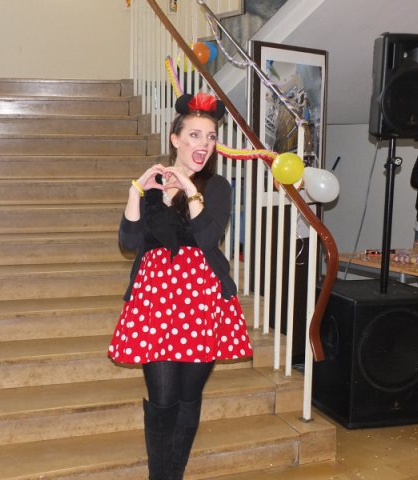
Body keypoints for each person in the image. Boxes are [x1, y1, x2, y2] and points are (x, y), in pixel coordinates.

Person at [108, 92, 253, 480]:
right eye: (195, 135)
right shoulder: (152, 185)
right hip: (155, 300)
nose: (204, 143)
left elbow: (208, 237)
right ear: (175, 139)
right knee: (162, 398)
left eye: (211, 136)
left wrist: (189, 189)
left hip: (202, 300)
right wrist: (136, 193)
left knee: (189, 396)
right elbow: (129, 242)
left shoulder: (217, 187)